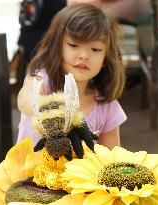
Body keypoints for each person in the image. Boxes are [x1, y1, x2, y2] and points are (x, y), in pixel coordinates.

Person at [17, 3, 127, 149]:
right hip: (29, 171)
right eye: (74, 45)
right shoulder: (42, 80)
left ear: (106, 58)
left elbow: (112, 158)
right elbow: (25, 100)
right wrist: (60, 117)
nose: (84, 56)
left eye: (95, 49)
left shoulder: (107, 107)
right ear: (56, 46)